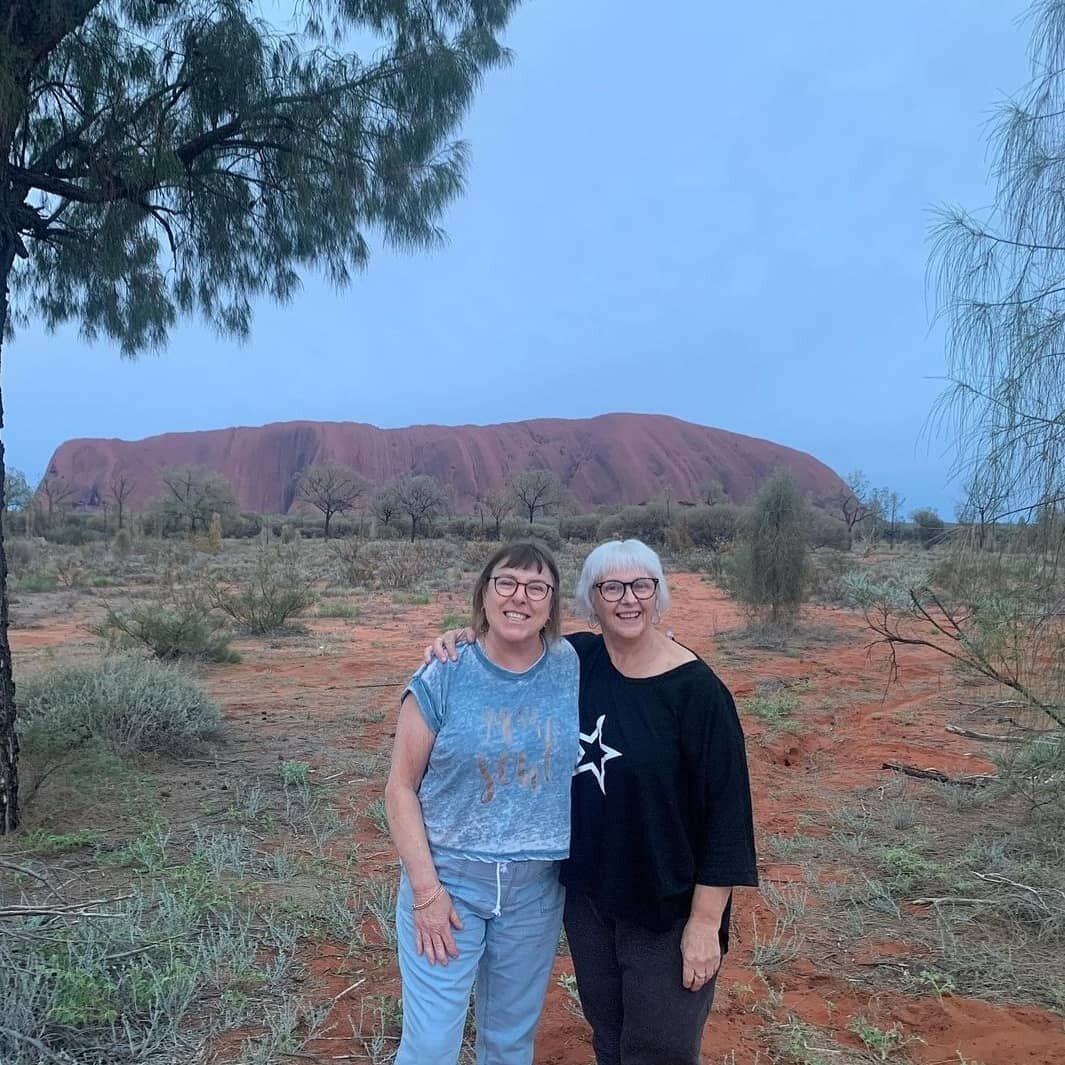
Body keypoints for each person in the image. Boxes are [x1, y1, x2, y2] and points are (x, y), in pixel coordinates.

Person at [429, 538, 757, 1065]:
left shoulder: (698, 692)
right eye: (612, 587)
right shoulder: (575, 661)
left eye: (641, 585)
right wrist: (467, 636)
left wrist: (704, 923)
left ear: (658, 594)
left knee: (661, 1049)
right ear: (591, 601)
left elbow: (727, 818)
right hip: (590, 899)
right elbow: (514, 644)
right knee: (608, 1033)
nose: (628, 599)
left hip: (666, 906)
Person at [385, 540, 580, 1065]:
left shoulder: (573, 665)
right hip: (449, 884)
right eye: (507, 583)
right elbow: (399, 786)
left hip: (535, 890)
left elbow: (636, 654)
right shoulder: (445, 671)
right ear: (485, 594)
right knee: (429, 1048)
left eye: (537, 587)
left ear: (552, 602)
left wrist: (662, 639)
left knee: (510, 1042)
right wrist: (427, 893)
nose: (521, 597)